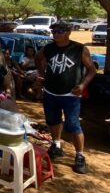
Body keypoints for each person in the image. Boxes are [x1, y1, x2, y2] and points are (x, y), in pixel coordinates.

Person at [35, 20, 97, 174]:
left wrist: (83, 86)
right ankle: (56, 145)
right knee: (52, 120)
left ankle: (79, 156)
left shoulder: (79, 49)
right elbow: (37, 59)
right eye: (53, 31)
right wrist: (43, 74)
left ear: (68, 33)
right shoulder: (48, 48)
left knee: (73, 124)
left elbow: (92, 70)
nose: (55, 34)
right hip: (50, 92)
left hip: (70, 95)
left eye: (59, 32)